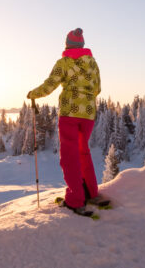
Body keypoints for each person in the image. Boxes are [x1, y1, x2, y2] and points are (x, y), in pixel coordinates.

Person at [27, 28, 105, 215]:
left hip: (69, 113)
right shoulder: (92, 63)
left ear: (67, 44)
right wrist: (85, 100)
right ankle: (91, 193)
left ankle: (76, 200)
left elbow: (50, 84)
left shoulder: (64, 62)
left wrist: (33, 94)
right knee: (83, 152)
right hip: (88, 114)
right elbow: (98, 88)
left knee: (69, 156)